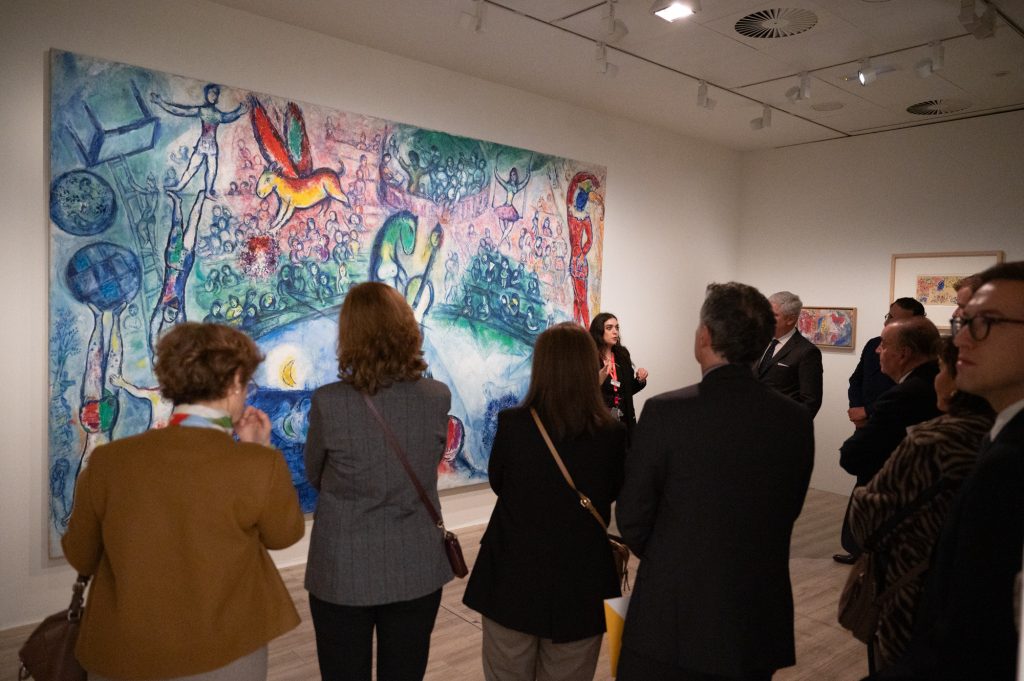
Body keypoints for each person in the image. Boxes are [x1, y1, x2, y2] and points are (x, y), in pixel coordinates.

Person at [61, 323, 304, 681]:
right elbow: (284, 535)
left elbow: (80, 555)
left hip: (124, 654)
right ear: (235, 381)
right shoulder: (256, 463)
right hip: (225, 653)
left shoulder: (109, 462)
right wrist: (258, 451)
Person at [616, 282, 813, 681]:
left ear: (704, 336)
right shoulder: (794, 419)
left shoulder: (666, 412)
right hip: (756, 615)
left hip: (673, 613)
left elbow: (633, 517)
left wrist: (675, 557)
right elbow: (787, 508)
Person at [867, 261, 1024, 681]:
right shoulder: (998, 439)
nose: (962, 340)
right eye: (963, 322)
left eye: (987, 322)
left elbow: (972, 637)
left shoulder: (1009, 463)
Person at [304, 281, 453, 681]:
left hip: (343, 568)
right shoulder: (437, 396)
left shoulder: (329, 402)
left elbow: (315, 474)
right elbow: (428, 462)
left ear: (349, 334)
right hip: (416, 564)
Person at [463, 322, 626, 681]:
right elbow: (613, 491)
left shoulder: (513, 424)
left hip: (512, 576)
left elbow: (499, 483)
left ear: (542, 367)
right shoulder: (611, 434)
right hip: (581, 582)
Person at [848, 337, 994, 671]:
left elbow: (865, 519)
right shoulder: (992, 431)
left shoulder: (936, 440)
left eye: (941, 370)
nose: (936, 379)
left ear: (957, 380)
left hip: (911, 589)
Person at [835, 317, 941, 565]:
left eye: (884, 344)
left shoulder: (904, 395)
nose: (877, 350)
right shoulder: (937, 381)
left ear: (903, 353)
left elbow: (852, 457)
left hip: (900, 514)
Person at [847, 298, 926, 429]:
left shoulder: (920, 352)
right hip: (864, 423)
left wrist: (867, 411)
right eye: (889, 316)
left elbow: (909, 393)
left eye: (895, 320)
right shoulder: (873, 344)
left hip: (896, 426)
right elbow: (856, 380)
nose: (887, 322)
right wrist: (857, 410)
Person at [756, 291, 823, 417]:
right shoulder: (758, 343)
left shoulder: (807, 351)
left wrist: (792, 425)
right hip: (751, 421)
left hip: (782, 423)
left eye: (774, 315)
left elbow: (811, 401)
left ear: (790, 319)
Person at [589, 312, 649, 444]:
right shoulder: (590, 358)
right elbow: (584, 394)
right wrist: (598, 381)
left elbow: (627, 390)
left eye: (617, 327)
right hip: (600, 424)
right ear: (599, 331)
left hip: (624, 423)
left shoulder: (622, 355)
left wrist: (640, 380)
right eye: (609, 328)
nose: (615, 332)